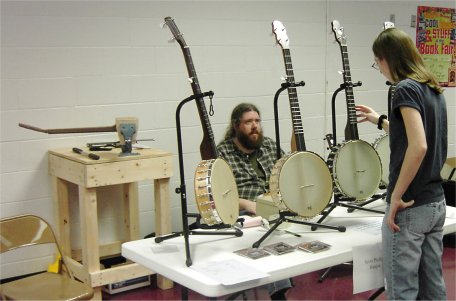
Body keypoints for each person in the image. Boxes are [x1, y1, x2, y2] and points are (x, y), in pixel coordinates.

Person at [356, 28, 447, 300]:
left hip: (409, 206)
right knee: (433, 289)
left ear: (387, 58)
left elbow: (419, 145)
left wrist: (396, 195)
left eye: (377, 62)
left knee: (403, 292)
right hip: (435, 203)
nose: (379, 69)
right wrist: (380, 120)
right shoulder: (431, 88)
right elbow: (410, 132)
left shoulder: (404, 88)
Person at [217, 103, 291, 300]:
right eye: (248, 122)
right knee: (268, 237)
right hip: (242, 212)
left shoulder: (268, 145)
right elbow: (219, 195)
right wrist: (249, 205)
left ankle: (280, 285)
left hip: (273, 207)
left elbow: (287, 172)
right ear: (236, 126)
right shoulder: (222, 153)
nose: (254, 126)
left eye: (257, 121)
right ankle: (279, 293)